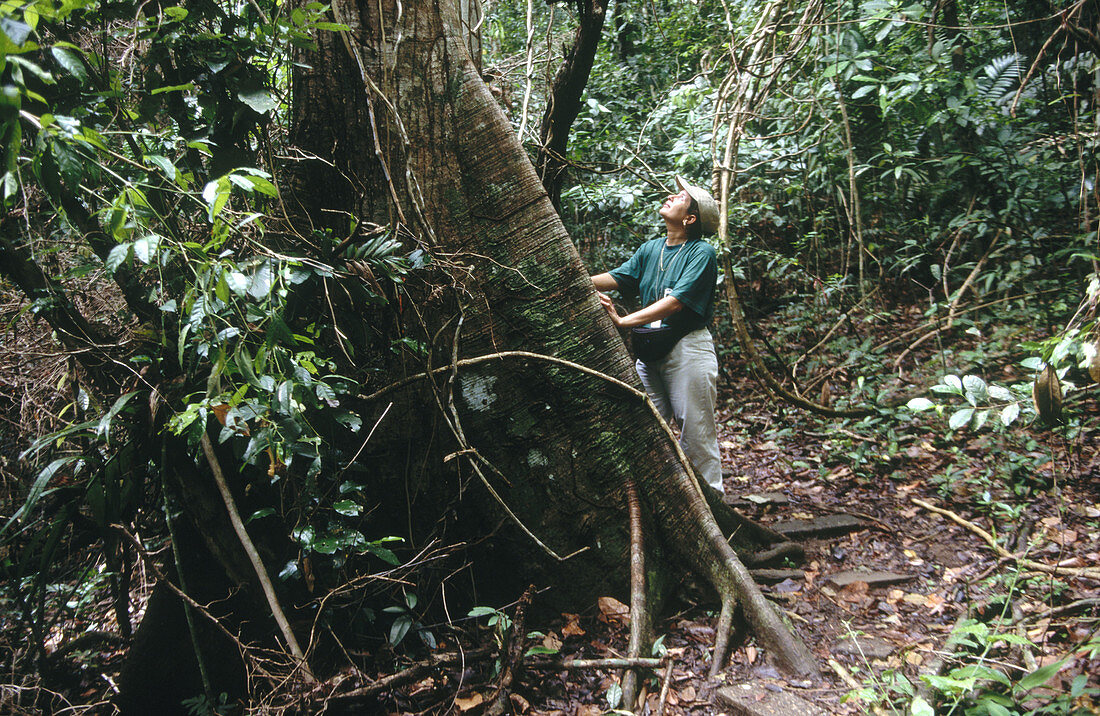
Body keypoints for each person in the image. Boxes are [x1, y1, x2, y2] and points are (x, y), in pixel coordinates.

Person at [590, 176, 724, 494]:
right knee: (646, 427)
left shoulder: (701, 253)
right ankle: (667, 501)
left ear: (690, 219)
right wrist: (568, 274)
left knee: (696, 432)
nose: (670, 196)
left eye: (679, 197)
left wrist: (623, 321)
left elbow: (675, 303)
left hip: (687, 350)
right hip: (649, 352)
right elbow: (616, 277)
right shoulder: (650, 249)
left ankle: (714, 508)